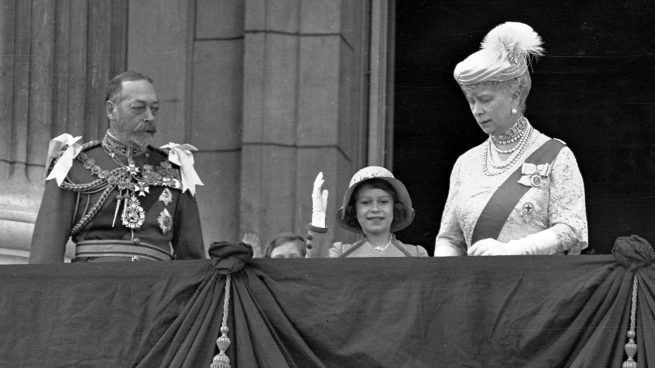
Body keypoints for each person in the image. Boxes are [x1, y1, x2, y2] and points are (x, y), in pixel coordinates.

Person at [434, 22, 588, 256]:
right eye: (471, 101)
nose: (477, 111)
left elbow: (571, 228)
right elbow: (449, 239)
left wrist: (514, 250)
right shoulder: (465, 163)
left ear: (515, 97)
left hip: (536, 287)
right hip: (475, 289)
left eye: (485, 99)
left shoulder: (556, 155)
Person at [29, 71, 206, 263]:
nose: (149, 117)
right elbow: (46, 253)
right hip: (93, 287)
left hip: (158, 289)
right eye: (138, 108)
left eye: (154, 109)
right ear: (111, 110)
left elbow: (192, 257)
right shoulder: (73, 164)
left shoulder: (175, 167)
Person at [308, 167, 428, 257]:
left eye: (383, 201)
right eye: (365, 202)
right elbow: (316, 274)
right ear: (354, 210)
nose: (375, 209)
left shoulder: (416, 254)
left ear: (394, 208)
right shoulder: (341, 253)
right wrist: (318, 220)